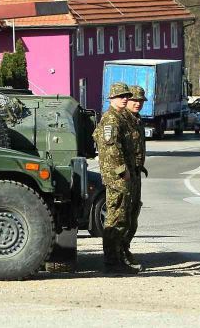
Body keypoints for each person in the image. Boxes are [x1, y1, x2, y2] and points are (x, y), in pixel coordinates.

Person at [92, 82, 139, 274]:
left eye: (126, 96)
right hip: (116, 176)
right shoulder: (111, 119)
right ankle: (112, 263)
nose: (125, 99)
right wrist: (122, 170)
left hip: (123, 175)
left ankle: (119, 258)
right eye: (121, 96)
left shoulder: (121, 117)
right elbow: (111, 148)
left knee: (124, 216)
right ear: (111, 98)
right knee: (115, 218)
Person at [123, 85, 149, 270]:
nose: (137, 104)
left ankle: (125, 250)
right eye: (134, 100)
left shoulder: (137, 121)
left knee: (133, 215)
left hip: (135, 173)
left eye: (140, 101)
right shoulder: (121, 121)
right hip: (124, 175)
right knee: (121, 217)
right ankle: (118, 256)